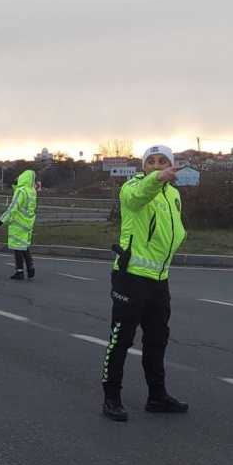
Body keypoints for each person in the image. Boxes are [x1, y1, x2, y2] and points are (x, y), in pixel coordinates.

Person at [101, 145, 188, 422]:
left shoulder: (174, 194)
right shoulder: (132, 187)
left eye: (163, 161)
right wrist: (157, 178)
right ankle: (111, 396)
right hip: (131, 278)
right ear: (144, 166)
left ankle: (157, 396)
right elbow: (140, 196)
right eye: (151, 161)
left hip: (159, 280)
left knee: (157, 339)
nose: (157, 165)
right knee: (121, 339)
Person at [0, 170, 37, 280]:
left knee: (17, 248)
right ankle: (30, 266)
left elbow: (14, 207)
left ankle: (19, 271)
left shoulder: (21, 191)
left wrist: (2, 220)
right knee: (24, 246)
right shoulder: (32, 191)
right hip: (27, 223)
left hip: (18, 223)